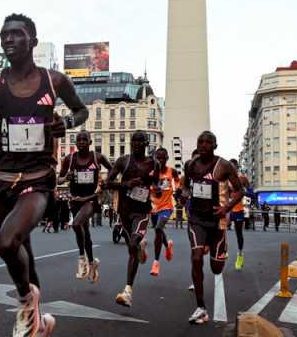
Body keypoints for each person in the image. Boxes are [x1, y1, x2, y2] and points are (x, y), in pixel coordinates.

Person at [0, 13, 88, 337]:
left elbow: (81, 110)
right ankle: (40, 322)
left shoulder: (55, 80)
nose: (8, 40)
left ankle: (24, 301)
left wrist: (67, 124)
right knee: (25, 255)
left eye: (16, 34)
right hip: (2, 179)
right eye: (4, 35)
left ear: (32, 40)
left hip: (38, 178)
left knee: (7, 243)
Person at [178, 131, 243, 325]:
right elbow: (185, 186)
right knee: (196, 258)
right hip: (196, 220)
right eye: (201, 141)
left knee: (216, 269)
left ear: (215, 145)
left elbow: (240, 190)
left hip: (217, 222)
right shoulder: (190, 165)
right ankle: (201, 308)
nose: (204, 145)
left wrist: (226, 208)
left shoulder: (224, 165)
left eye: (208, 142)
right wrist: (183, 194)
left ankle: (219, 249)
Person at [103, 131, 159, 307]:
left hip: (142, 211)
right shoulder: (123, 161)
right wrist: (125, 185)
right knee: (131, 248)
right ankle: (139, 247)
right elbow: (107, 183)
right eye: (133, 140)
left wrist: (157, 190)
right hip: (125, 211)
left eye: (140, 141)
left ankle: (128, 290)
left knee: (133, 243)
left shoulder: (154, 163)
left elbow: (155, 185)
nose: (136, 144)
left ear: (146, 143)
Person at [58, 131, 110, 282]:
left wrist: (105, 182)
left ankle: (82, 259)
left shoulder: (97, 157)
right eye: (78, 140)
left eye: (84, 139)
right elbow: (59, 180)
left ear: (90, 142)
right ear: (75, 143)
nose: (81, 142)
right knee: (85, 233)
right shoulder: (69, 159)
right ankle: (93, 262)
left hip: (92, 198)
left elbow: (112, 169)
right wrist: (64, 177)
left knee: (76, 224)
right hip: (75, 199)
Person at [149, 147, 178, 277]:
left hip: (167, 206)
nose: (160, 160)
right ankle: (167, 247)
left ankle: (156, 263)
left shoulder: (172, 171)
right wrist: (154, 188)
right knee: (159, 230)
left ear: (167, 159)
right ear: (154, 159)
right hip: (154, 207)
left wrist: (176, 190)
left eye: (162, 158)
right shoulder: (150, 173)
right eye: (157, 158)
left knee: (158, 228)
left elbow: (177, 180)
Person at [226, 160, 248, 271]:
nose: (232, 169)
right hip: (229, 209)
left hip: (239, 210)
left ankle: (240, 255)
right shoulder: (226, 179)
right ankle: (224, 250)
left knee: (238, 233)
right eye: (230, 167)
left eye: (234, 167)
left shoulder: (242, 178)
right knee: (222, 229)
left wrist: (243, 190)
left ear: (237, 167)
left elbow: (250, 192)